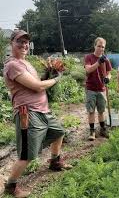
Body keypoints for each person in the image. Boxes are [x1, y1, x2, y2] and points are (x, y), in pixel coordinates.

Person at [3, 30, 72, 198]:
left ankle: (55, 161)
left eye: (26, 42)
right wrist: (57, 79)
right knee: (27, 155)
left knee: (59, 132)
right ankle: (11, 186)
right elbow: (37, 86)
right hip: (29, 114)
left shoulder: (27, 63)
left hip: (43, 111)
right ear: (11, 43)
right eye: (20, 41)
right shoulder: (12, 65)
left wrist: (48, 74)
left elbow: (38, 81)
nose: (24, 45)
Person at [84, 37, 112, 141]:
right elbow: (88, 70)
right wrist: (98, 62)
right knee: (91, 111)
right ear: (95, 46)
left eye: (103, 47)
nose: (100, 48)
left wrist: (108, 78)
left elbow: (109, 73)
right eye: (99, 46)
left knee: (101, 111)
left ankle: (103, 129)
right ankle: (92, 131)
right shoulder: (88, 57)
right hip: (90, 88)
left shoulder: (106, 60)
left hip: (101, 89)